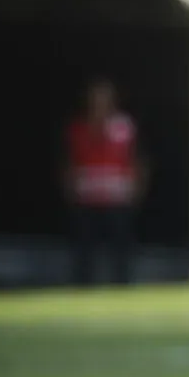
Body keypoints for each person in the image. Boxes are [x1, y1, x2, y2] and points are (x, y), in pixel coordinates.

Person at [64, 79, 145, 285]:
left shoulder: (125, 127)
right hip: (87, 199)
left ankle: (122, 287)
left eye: (104, 98)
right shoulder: (79, 128)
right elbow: (69, 163)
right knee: (84, 252)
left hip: (117, 199)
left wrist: (136, 190)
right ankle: (82, 288)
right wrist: (70, 190)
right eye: (96, 98)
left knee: (121, 252)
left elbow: (137, 160)